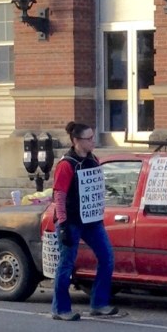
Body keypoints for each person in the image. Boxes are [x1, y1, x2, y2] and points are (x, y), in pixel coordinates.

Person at [51, 121, 117, 320]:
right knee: (66, 264)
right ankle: (60, 309)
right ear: (76, 141)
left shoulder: (93, 160)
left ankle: (99, 303)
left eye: (93, 137)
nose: (93, 142)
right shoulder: (66, 165)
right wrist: (63, 224)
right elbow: (59, 195)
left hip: (91, 221)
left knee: (107, 257)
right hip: (71, 221)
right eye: (88, 139)